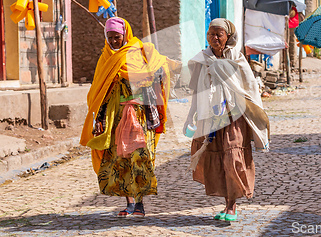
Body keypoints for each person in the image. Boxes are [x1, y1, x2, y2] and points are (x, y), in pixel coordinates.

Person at [81, 17, 177, 217]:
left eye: (117, 37)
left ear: (125, 34)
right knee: (120, 160)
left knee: (139, 158)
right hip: (116, 118)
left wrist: (156, 70)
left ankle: (140, 204)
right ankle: (129, 204)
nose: (114, 42)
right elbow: (99, 91)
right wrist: (98, 118)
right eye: (110, 38)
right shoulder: (106, 58)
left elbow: (158, 70)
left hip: (141, 116)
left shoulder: (140, 52)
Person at [185, 18, 269, 221]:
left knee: (233, 158)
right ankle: (226, 202)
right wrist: (192, 116)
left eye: (218, 34)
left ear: (228, 37)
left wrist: (257, 117)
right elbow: (197, 91)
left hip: (234, 117)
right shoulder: (202, 60)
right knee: (217, 158)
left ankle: (232, 205)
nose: (214, 38)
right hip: (211, 117)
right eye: (211, 34)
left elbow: (250, 89)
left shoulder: (237, 60)